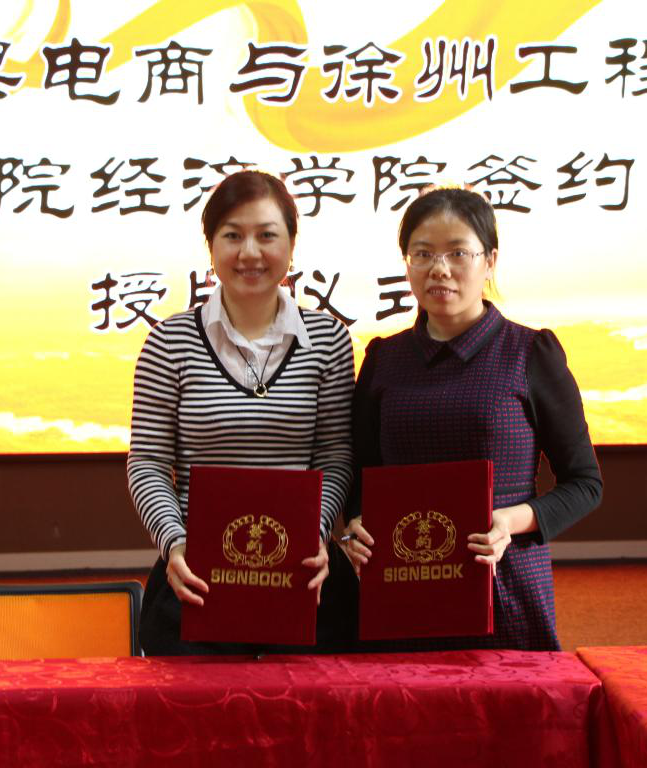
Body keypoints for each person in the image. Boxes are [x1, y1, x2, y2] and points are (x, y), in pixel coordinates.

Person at [342, 187, 603, 651]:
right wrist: (356, 523)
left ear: (490, 261)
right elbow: (360, 471)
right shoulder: (383, 360)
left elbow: (585, 484)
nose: (439, 268)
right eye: (423, 253)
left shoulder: (530, 352)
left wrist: (510, 521)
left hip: (504, 582)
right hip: (402, 583)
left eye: (458, 252)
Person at [127, 170, 356, 655]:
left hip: (304, 575)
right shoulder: (168, 342)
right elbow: (147, 462)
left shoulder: (329, 340)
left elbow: (335, 455)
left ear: (291, 245)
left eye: (267, 235)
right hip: (195, 577)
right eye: (232, 236)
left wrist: (314, 534)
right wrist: (175, 543)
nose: (249, 253)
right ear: (211, 246)